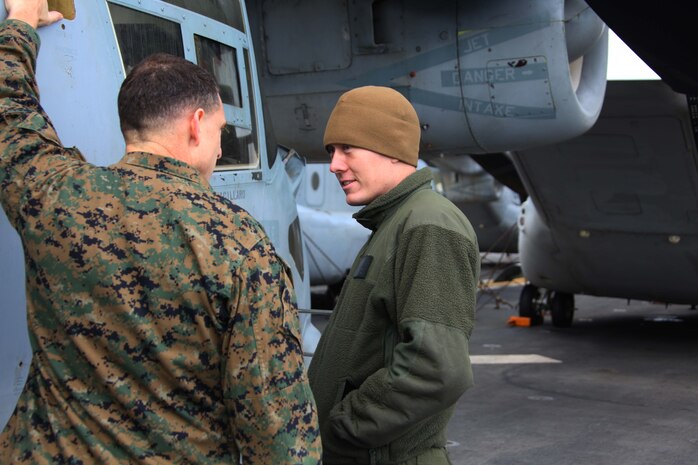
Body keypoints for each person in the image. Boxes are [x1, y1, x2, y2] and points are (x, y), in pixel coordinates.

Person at [0, 1, 320, 463]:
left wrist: (21, 24)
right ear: (196, 123)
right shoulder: (239, 245)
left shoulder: (55, 196)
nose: (218, 147)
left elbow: (9, 110)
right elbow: (279, 434)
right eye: (219, 131)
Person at [307, 86, 480, 465]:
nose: (334, 165)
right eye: (331, 152)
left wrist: (345, 426)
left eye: (347, 148)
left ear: (391, 147)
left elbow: (437, 369)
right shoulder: (396, 223)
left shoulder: (428, 225)